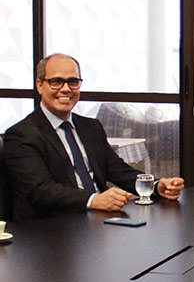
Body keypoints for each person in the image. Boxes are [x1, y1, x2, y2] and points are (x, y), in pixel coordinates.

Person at [2, 54, 184, 220]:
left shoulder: (90, 127)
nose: (66, 89)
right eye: (56, 82)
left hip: (99, 221)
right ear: (39, 85)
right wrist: (93, 200)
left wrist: (155, 186)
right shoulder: (21, 135)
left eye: (73, 82)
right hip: (50, 228)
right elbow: (40, 190)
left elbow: (118, 170)